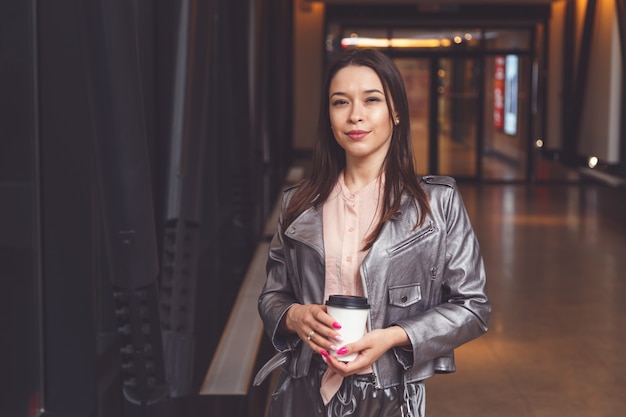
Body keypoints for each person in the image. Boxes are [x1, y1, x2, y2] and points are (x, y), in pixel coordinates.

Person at [253, 48, 490, 417]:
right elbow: (272, 297)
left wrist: (394, 337)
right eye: (340, 102)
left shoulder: (437, 203)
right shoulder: (298, 204)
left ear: (395, 112)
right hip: (303, 389)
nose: (355, 115)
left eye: (371, 99)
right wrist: (294, 315)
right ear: (329, 117)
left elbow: (473, 307)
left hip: (389, 396)